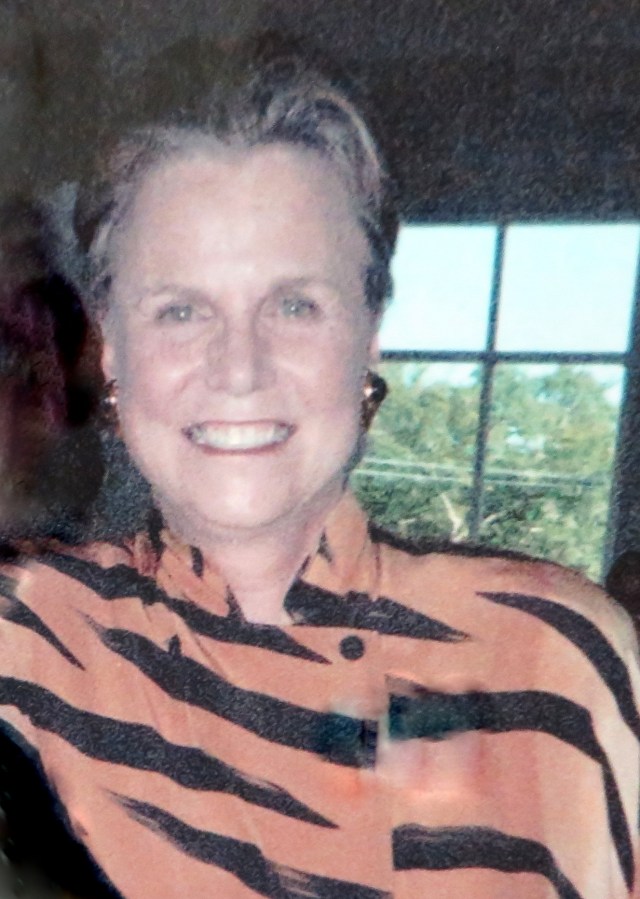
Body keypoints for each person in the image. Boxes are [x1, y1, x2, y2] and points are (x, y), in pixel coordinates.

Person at [0, 41, 639, 899]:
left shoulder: (553, 662)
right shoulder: (30, 641)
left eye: (296, 304)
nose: (239, 368)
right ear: (112, 347)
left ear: (369, 335)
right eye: (181, 309)